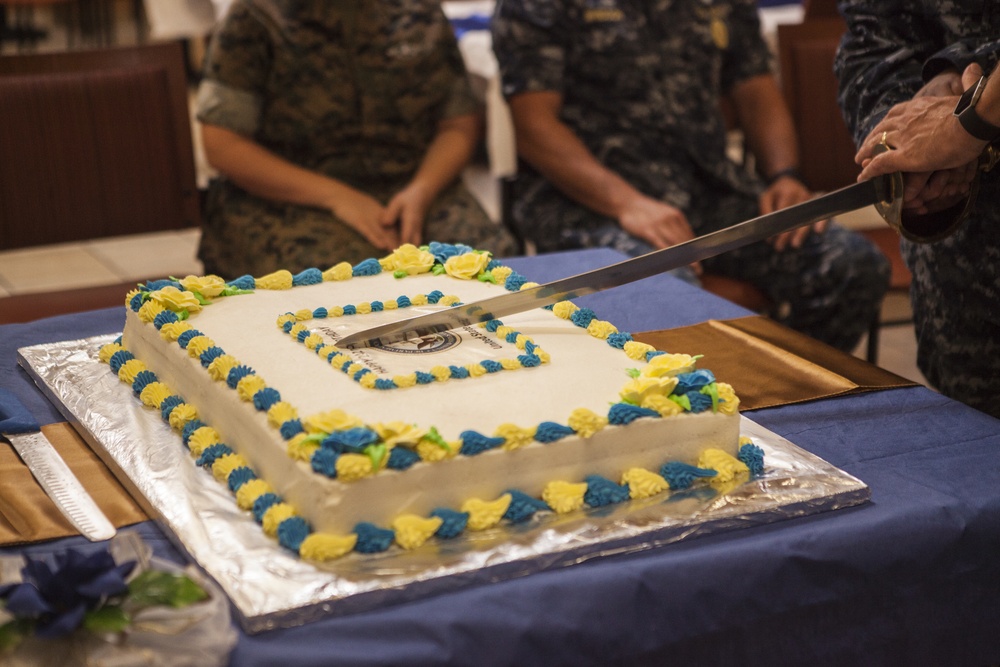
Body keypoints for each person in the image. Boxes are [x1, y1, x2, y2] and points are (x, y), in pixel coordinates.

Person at [491, 0, 890, 352]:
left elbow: (755, 90)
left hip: (708, 189)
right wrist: (627, 203)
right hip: (591, 200)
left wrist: (784, 176)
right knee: (666, 294)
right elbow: (534, 126)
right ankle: (686, 407)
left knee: (851, 265)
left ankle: (775, 395)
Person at [195, 0, 518, 278]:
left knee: (494, 267)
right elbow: (223, 145)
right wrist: (337, 197)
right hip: (291, 199)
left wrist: (422, 189)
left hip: (414, 191)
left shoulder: (419, 12)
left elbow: (458, 126)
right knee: (348, 285)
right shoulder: (257, 16)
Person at [835, 0, 1000, 417]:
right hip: (965, 266)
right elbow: (874, 36)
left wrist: (969, 115)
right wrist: (902, 150)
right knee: (970, 446)